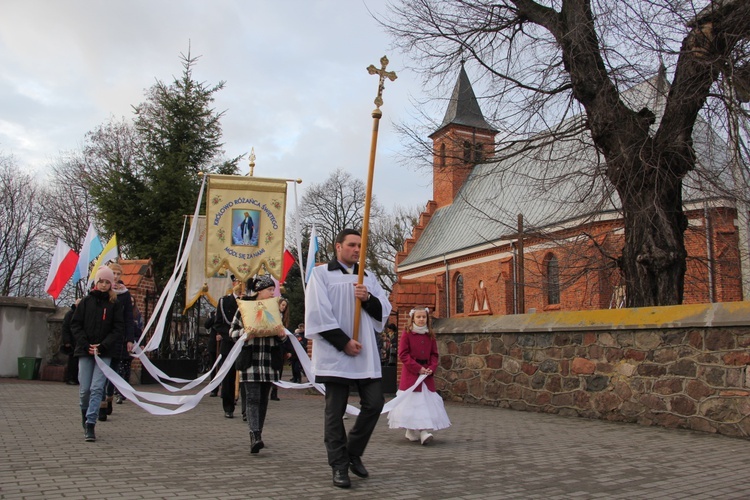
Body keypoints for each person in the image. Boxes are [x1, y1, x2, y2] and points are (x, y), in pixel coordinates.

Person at [305, 228, 392, 488]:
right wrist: (343, 342)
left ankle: (353, 451)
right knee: (335, 412)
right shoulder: (321, 275)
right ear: (338, 246)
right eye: (352, 245)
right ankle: (339, 466)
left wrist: (367, 299)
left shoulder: (368, 276)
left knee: (375, 404)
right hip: (335, 353)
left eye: (360, 246)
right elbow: (318, 314)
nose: (357, 250)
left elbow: (383, 312)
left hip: (364, 354)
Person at [230, 274, 288, 453]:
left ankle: (259, 433)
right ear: (260, 291)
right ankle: (254, 435)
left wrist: (281, 336)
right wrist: (244, 334)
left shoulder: (275, 309)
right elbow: (232, 332)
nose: (273, 293)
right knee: (253, 398)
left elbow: (283, 335)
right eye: (270, 290)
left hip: (269, 361)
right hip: (251, 359)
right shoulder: (244, 308)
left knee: (263, 400)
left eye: (273, 290)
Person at [70, 266, 124, 442]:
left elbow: (117, 328)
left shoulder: (114, 305)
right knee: (85, 389)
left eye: (107, 282)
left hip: (104, 352)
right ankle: (84, 416)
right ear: (96, 282)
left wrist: (103, 346)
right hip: (85, 351)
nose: (103, 285)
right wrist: (86, 345)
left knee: (96, 388)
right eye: (101, 281)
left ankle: (91, 422)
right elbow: (76, 325)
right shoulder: (86, 302)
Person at [387, 307, 451, 445]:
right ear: (413, 318)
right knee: (414, 404)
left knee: (424, 403)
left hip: (426, 376)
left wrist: (431, 368)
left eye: (424, 317)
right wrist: (418, 368)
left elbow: (434, 354)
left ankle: (413, 431)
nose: (421, 319)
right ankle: (422, 432)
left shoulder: (430, 335)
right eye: (418, 317)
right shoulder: (407, 334)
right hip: (412, 375)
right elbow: (403, 354)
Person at [99, 262, 134, 420]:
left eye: (118, 274)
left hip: (118, 337)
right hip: (103, 336)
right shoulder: (102, 291)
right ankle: (100, 403)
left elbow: (128, 317)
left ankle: (109, 397)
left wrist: (129, 338)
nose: (115, 276)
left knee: (113, 370)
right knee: (101, 371)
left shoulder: (125, 294)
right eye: (113, 273)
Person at [214, 277, 242, 417]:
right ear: (233, 283)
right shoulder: (224, 302)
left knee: (246, 378)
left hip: (245, 345)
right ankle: (228, 407)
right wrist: (231, 335)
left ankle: (246, 410)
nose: (240, 284)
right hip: (229, 343)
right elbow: (218, 324)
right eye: (238, 281)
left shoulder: (251, 301)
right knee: (229, 377)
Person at [270, 297, 290, 401]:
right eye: (282, 305)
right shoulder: (273, 315)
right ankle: (271, 389)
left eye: (285, 306)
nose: (283, 307)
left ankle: (274, 391)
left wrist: (288, 350)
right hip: (273, 345)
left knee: (279, 369)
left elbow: (286, 335)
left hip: (281, 346)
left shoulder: (284, 318)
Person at [61, 299, 81, 385]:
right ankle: (70, 378)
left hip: (79, 341)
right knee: (72, 361)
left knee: (78, 362)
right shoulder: (70, 314)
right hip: (72, 341)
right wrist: (67, 341)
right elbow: (65, 328)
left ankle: (76, 378)